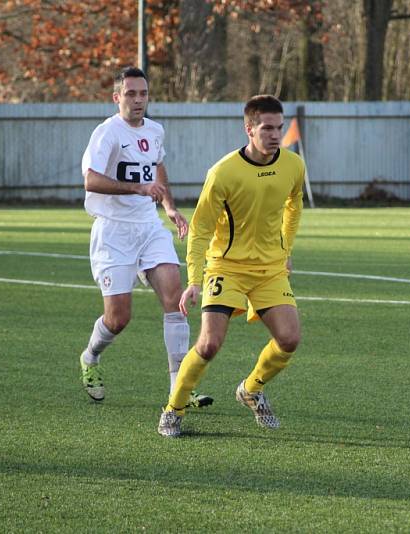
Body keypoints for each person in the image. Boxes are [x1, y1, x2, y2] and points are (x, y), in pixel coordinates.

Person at [157, 94, 305, 438]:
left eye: (279, 128)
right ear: (248, 128)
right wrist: (194, 280)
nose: (274, 135)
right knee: (209, 344)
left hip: (269, 269)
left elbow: (293, 205)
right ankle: (172, 410)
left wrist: (286, 248)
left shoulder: (293, 165)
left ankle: (251, 390)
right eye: (267, 128)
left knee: (289, 339)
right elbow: (200, 229)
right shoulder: (223, 172)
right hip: (226, 267)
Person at [79, 66, 212, 409]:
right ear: (117, 98)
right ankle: (91, 357)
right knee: (118, 319)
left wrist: (168, 206)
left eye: (143, 94)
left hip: (149, 228)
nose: (138, 100)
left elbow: (157, 166)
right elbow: (91, 180)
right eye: (131, 94)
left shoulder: (154, 130)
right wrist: (138, 187)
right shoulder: (107, 133)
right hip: (113, 231)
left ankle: (179, 386)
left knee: (175, 299)